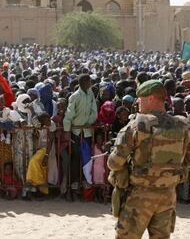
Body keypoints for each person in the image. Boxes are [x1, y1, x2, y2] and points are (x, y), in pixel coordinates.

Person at [108, 80, 190, 238]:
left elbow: (115, 163)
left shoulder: (137, 126)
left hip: (139, 195)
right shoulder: (182, 126)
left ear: (151, 98)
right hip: (168, 195)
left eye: (141, 98)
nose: (138, 102)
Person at [63, 74, 97, 200]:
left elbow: (94, 110)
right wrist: (67, 131)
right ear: (83, 82)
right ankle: (73, 186)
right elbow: (69, 115)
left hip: (87, 131)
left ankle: (85, 186)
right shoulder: (75, 96)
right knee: (75, 158)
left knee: (87, 159)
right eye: (89, 82)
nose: (90, 84)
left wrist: (90, 120)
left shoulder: (90, 94)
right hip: (76, 131)